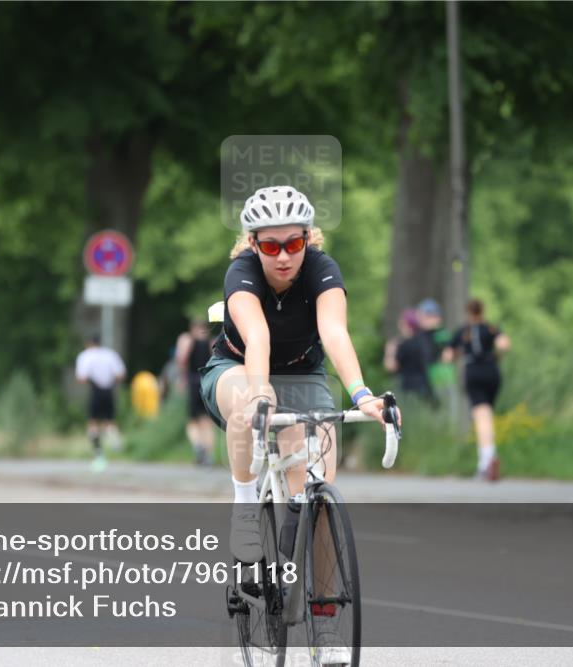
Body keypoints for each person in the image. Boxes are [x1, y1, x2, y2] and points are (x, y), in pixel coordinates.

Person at [198, 185, 399, 665]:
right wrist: (262, 389)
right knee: (248, 400)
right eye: (271, 246)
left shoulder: (322, 270)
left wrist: (363, 395)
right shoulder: (241, 273)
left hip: (305, 373)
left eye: (294, 243)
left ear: (309, 238)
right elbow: (258, 335)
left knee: (316, 497)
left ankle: (324, 626)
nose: (284, 256)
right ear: (253, 245)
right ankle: (245, 509)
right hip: (238, 367)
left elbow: (333, 332)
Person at [443, 299, 510, 481]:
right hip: (492, 370)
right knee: (488, 414)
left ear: (468, 313)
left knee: (481, 417)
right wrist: (497, 355)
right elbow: (504, 344)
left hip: (473, 371)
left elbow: (448, 356)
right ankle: (490, 454)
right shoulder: (491, 328)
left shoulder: (462, 331)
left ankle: (485, 461)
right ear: (482, 311)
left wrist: (458, 354)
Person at [75, 334, 126, 471]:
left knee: (93, 422)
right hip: (109, 390)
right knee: (110, 421)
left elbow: (81, 377)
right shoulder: (110, 354)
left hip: (95, 390)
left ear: (89, 343)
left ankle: (98, 453)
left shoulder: (86, 355)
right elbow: (120, 375)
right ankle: (114, 438)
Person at [176, 318, 217, 466]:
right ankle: (209, 456)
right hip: (206, 382)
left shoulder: (187, 340)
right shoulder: (211, 342)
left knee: (192, 421)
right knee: (207, 422)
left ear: (192, 327)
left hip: (193, 381)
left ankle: (198, 445)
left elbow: (182, 360)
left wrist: (182, 379)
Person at [384, 308, 438, 408]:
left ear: (407, 325)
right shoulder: (424, 341)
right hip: (425, 386)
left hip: (409, 389)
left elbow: (391, 367)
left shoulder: (404, 345)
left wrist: (390, 351)